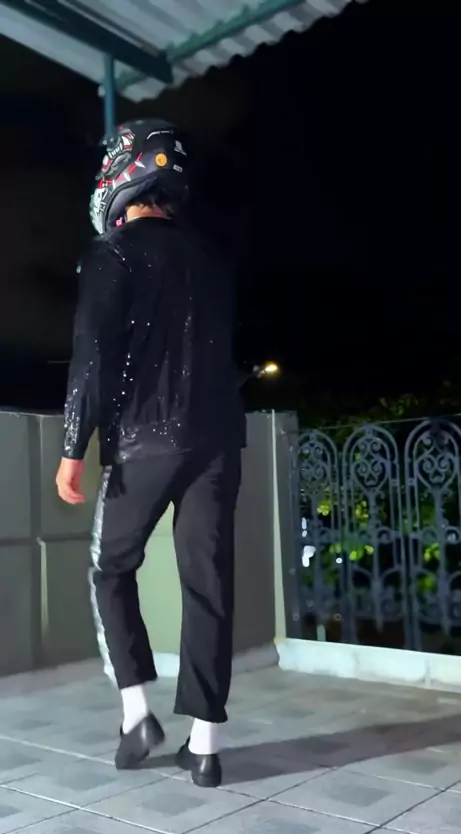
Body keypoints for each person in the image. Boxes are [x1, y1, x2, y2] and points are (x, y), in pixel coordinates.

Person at [56, 118, 245, 787]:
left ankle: (137, 713)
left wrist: (73, 446)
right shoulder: (213, 260)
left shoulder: (111, 254)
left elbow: (92, 356)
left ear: (123, 174)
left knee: (111, 569)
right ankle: (206, 746)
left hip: (144, 440)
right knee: (209, 583)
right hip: (218, 439)